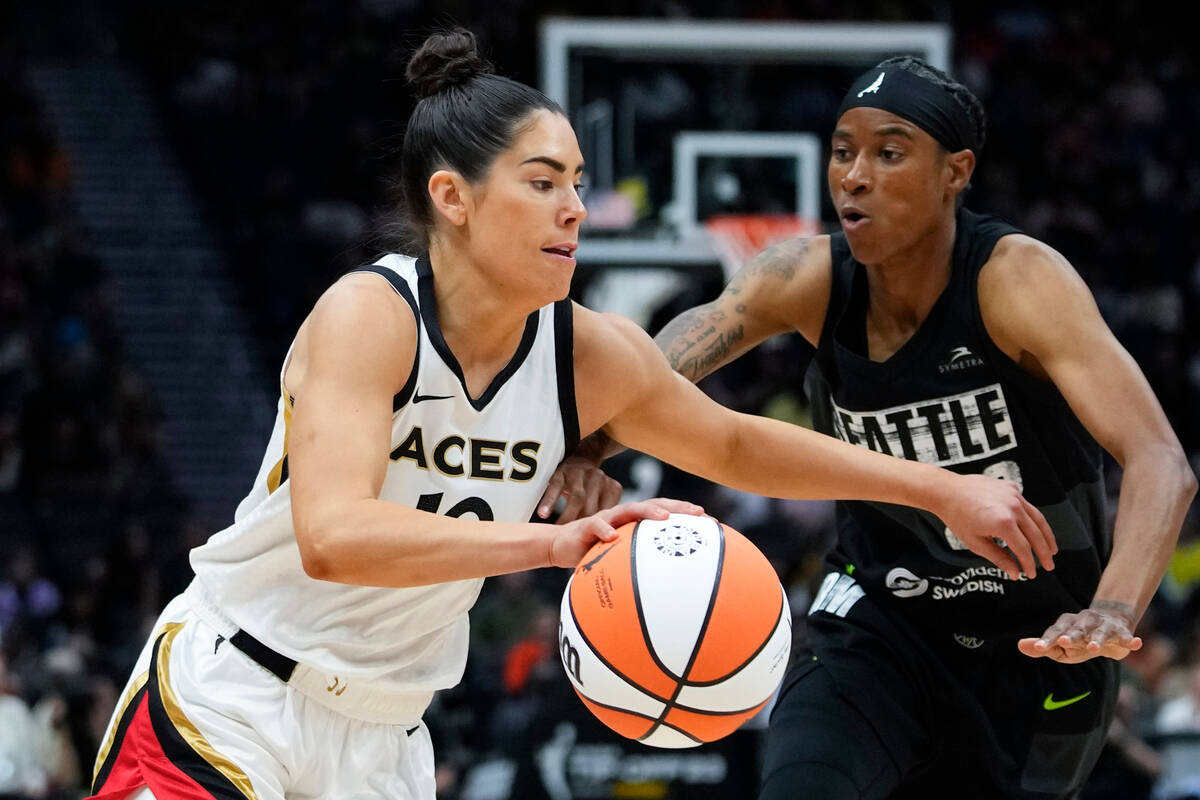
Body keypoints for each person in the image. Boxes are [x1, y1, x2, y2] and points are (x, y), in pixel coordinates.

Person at [86, 35, 1058, 800]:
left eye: (579, 184)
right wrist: (553, 549)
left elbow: (734, 442)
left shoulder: (589, 352)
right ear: (453, 199)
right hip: (230, 696)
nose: (576, 210)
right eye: (544, 182)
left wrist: (939, 487)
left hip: (385, 739)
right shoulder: (370, 315)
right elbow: (335, 534)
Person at [546, 56, 1197, 799]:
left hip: (1039, 641)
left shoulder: (1016, 281)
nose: (854, 175)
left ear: (956, 172)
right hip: (876, 619)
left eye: (888, 153)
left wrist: (1112, 609)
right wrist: (590, 447)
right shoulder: (805, 276)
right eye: (843, 150)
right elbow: (659, 373)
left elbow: (1159, 461)